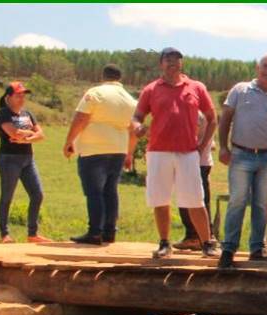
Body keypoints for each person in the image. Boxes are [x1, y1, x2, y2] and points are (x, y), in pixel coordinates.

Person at [134, 47, 218, 260]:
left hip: (188, 152)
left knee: (195, 200)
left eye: (177, 59)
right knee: (160, 199)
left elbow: (212, 117)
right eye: (168, 59)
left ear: (182, 63)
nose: (172, 62)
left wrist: (203, 144)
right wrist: (136, 127)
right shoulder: (151, 89)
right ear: (161, 64)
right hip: (158, 152)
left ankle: (206, 243)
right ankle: (164, 243)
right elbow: (137, 116)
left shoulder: (196, 87)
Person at [218, 54, 267, 269]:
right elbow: (225, 118)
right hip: (241, 155)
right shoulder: (240, 90)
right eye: (265, 66)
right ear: (258, 68)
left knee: (261, 204)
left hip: (266, 158)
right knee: (237, 201)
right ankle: (228, 249)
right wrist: (222, 146)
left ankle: (257, 248)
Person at [63, 64, 137, 245]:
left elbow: (81, 118)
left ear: (103, 76)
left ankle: (95, 231)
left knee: (94, 192)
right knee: (110, 191)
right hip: (118, 148)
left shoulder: (95, 93)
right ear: (120, 79)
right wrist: (129, 153)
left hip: (93, 148)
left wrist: (69, 141)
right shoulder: (131, 100)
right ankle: (109, 232)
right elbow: (134, 130)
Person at [0, 82, 49, 244]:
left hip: (27, 159)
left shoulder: (28, 114)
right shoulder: (3, 114)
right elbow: (14, 133)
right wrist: (31, 133)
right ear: (8, 97)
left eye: (23, 95)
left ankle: (32, 234)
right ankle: (4, 234)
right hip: (8, 159)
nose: (22, 98)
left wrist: (27, 137)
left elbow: (42, 135)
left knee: (37, 195)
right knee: (7, 196)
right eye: (18, 95)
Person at [175, 111, 216, 252]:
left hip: (194, 162)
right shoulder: (206, 112)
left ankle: (195, 237)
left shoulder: (195, 112)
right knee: (202, 200)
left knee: (189, 202)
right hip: (203, 161)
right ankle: (204, 236)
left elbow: (191, 134)